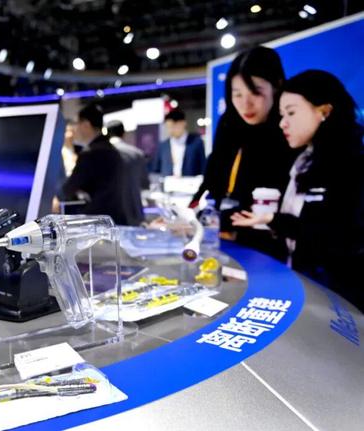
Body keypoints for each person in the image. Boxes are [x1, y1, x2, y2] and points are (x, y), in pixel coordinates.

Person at [231, 70, 364, 311]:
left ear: (324, 111)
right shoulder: (304, 160)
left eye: (291, 113)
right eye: (282, 114)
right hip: (308, 290)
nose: (283, 123)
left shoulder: (350, 163)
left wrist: (273, 220)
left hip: (341, 302)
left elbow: (337, 236)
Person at [192, 46, 297, 260]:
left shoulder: (288, 130)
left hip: (273, 245)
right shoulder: (229, 123)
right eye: (237, 94)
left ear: (277, 86)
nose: (245, 104)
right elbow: (214, 179)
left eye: (256, 92)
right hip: (226, 239)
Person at [61, 104, 141, 226]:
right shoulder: (111, 150)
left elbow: (69, 188)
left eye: (77, 123)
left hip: (98, 222)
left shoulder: (90, 153)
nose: (75, 128)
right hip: (118, 218)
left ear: (86, 124)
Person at [151, 109, 206, 177]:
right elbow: (156, 170)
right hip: (168, 182)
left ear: (183, 123)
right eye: (168, 127)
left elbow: (203, 168)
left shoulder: (196, 143)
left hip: (190, 182)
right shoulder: (163, 146)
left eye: (173, 126)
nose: (170, 130)